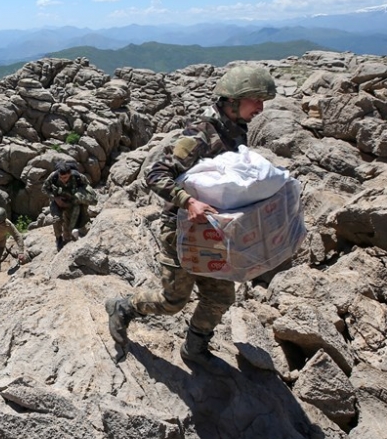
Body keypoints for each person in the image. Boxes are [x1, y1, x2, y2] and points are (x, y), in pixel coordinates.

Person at [104, 65, 277, 368]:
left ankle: (193, 349)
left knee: (221, 297)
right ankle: (123, 307)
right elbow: (155, 173)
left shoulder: (235, 131)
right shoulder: (200, 133)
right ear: (234, 100)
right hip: (181, 229)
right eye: (256, 100)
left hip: (214, 230)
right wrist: (188, 202)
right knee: (173, 302)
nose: (260, 108)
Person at [42, 161, 97, 250]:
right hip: (57, 200)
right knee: (57, 219)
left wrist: (79, 196)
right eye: (61, 177)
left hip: (72, 200)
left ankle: (76, 230)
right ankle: (59, 238)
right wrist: (55, 198)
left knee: (76, 218)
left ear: (70, 174)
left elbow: (87, 187)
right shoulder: (54, 176)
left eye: (66, 177)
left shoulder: (78, 177)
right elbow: (44, 189)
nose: (63, 180)